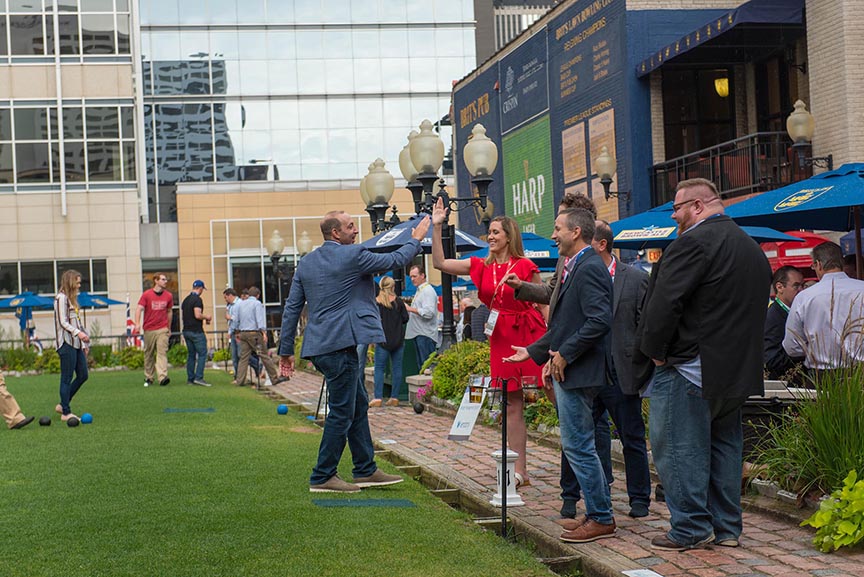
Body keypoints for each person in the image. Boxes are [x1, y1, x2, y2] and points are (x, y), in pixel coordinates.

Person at [636, 177, 771, 551]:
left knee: (677, 447)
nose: (674, 215)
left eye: (677, 208)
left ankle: (690, 527)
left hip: (690, 367)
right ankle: (727, 529)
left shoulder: (692, 242)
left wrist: (656, 350)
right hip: (737, 370)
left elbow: (664, 304)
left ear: (697, 205)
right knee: (726, 448)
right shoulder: (751, 248)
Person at [279, 210, 430, 493]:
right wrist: (416, 239)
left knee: (358, 405)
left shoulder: (307, 262)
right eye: (350, 227)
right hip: (339, 346)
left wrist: (286, 349)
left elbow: (292, 307)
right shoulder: (353, 255)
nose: (356, 231)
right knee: (342, 412)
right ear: (335, 233)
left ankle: (365, 469)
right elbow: (395, 260)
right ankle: (323, 475)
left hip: (322, 347)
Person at [504, 208, 615, 543]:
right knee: (580, 445)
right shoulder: (574, 264)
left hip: (580, 371)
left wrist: (564, 354)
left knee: (579, 446)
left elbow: (599, 320)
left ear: (577, 231)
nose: (553, 235)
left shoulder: (590, 266)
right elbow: (565, 323)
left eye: (557, 229)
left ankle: (601, 517)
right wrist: (533, 351)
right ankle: (598, 511)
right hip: (572, 369)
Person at [431, 197, 546, 487]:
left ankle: (579, 460)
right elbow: (440, 262)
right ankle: (520, 470)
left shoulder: (525, 266)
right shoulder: (478, 265)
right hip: (500, 338)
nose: (491, 236)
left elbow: (545, 304)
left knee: (553, 393)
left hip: (529, 333)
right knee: (510, 403)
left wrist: (553, 342)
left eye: (496, 232)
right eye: (490, 232)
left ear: (509, 236)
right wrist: (436, 227)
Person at [783, 242, 864, 371]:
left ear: (818, 265)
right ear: (841, 263)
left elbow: (792, 347)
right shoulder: (861, 289)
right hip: (860, 373)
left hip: (822, 376)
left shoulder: (805, 297)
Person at [53, 269, 90, 421]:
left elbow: (77, 322)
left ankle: (63, 404)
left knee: (83, 375)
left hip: (76, 343)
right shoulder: (61, 298)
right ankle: (66, 412)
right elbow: (63, 322)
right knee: (66, 378)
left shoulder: (72, 300)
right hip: (66, 344)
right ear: (70, 282)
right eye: (77, 282)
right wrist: (79, 333)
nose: (79, 285)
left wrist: (84, 342)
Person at [232, 286, 285, 388]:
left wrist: (237, 332)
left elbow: (236, 320)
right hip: (254, 334)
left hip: (243, 333)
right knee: (264, 355)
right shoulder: (257, 304)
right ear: (258, 295)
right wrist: (264, 333)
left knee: (243, 358)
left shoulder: (241, 304)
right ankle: (274, 378)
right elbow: (259, 319)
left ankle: (240, 380)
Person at [371, 276, 409, 407]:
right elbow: (405, 318)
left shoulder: (377, 302)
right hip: (398, 340)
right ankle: (394, 397)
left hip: (382, 340)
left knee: (379, 368)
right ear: (393, 287)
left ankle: (378, 397)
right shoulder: (399, 302)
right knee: (397, 368)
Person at [764, 266, 805, 381]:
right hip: (786, 384)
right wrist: (806, 353)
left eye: (803, 285)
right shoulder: (773, 317)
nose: (801, 291)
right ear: (780, 287)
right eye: (796, 286)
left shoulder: (795, 312)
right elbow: (772, 359)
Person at [135, 273, 173, 387]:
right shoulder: (147, 295)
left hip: (162, 328)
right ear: (156, 281)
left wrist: (169, 328)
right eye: (163, 279)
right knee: (149, 354)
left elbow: (169, 311)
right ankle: (149, 377)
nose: (165, 281)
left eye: (166, 279)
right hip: (149, 329)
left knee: (162, 352)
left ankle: (162, 377)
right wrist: (137, 323)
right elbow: (139, 309)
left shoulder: (169, 296)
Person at [404, 266, 438, 370]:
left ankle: (428, 386)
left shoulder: (427, 291)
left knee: (427, 368)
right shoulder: (421, 290)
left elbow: (429, 313)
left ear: (422, 275)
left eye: (415, 276)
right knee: (422, 367)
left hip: (425, 334)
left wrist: (410, 309)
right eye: (411, 277)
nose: (412, 279)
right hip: (419, 333)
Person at [181, 279, 213, 387]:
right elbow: (197, 315)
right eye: (202, 289)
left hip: (186, 331)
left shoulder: (185, 300)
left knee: (191, 355)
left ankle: (190, 379)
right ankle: (199, 377)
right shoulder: (197, 300)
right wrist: (207, 317)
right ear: (200, 289)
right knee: (202, 354)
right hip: (196, 331)